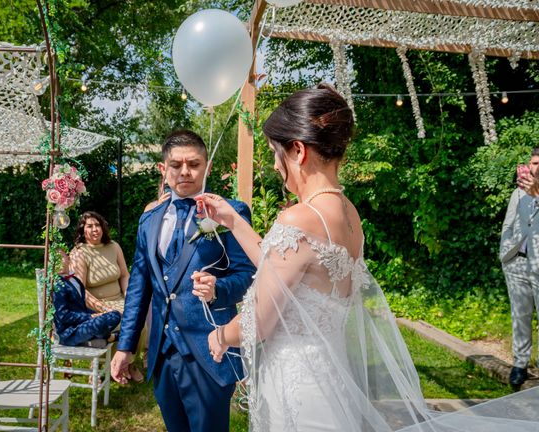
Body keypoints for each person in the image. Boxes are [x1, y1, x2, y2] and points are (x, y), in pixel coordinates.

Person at [197, 85, 539, 431]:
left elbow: (258, 322)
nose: (274, 164)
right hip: (330, 380)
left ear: (298, 150)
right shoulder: (347, 213)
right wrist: (234, 221)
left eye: (276, 152)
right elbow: (282, 270)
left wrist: (221, 336)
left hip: (297, 390)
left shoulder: (298, 219)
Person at [111, 130, 255, 432]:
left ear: (207, 167)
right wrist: (125, 346)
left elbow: (247, 274)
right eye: (176, 165)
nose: (185, 171)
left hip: (210, 350)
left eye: (194, 163)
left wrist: (218, 289)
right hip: (163, 353)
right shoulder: (148, 220)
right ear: (164, 169)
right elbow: (140, 284)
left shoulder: (230, 211)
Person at [70, 211, 144, 380]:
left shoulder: (114, 247)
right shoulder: (78, 253)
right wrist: (104, 307)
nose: (95, 229)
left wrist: (129, 296)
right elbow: (80, 290)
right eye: (89, 226)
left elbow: (125, 275)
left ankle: (128, 363)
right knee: (120, 324)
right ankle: (104, 365)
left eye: (97, 225)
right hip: (95, 305)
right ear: (82, 230)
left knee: (139, 321)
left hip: (119, 299)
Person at [500, 147, 539, 388]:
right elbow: (508, 224)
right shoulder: (519, 193)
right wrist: (505, 253)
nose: (536, 167)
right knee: (520, 315)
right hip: (517, 263)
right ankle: (520, 364)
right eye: (533, 162)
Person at [52, 250, 121, 348]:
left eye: (60, 258)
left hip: (82, 324)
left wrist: (96, 315)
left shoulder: (75, 280)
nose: (57, 262)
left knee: (115, 315)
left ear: (68, 259)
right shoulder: (57, 285)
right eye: (53, 260)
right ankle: (109, 337)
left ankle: (93, 337)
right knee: (98, 323)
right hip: (69, 332)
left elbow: (81, 307)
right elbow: (63, 316)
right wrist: (91, 317)